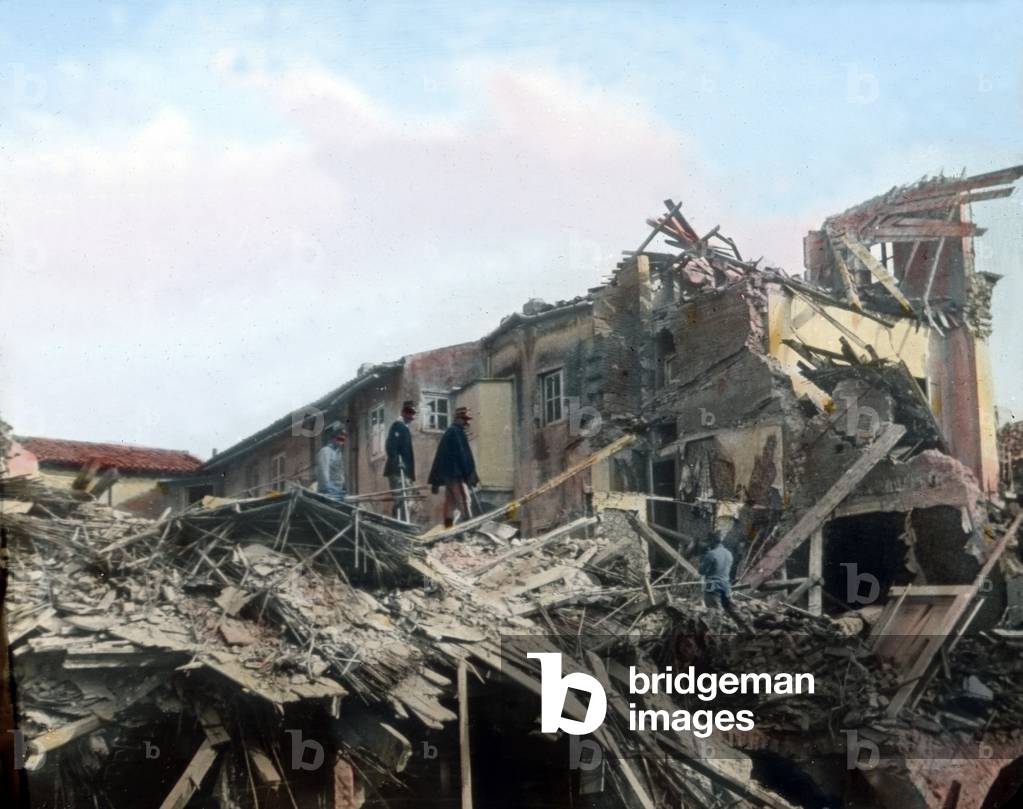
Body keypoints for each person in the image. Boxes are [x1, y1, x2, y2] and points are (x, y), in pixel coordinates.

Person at [427, 406, 479, 528]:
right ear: (458, 419)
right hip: (456, 475)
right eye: (465, 419)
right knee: (464, 500)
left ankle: (448, 528)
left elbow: (439, 457)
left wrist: (436, 481)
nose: (467, 422)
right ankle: (469, 527)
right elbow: (463, 455)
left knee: (450, 504)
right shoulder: (456, 432)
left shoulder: (450, 432)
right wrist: (470, 476)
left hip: (448, 476)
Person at [699, 535, 752, 633]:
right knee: (732, 609)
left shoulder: (711, 554)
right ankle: (749, 629)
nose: (706, 544)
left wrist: (703, 558)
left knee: (714, 611)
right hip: (725, 586)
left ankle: (715, 637)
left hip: (713, 587)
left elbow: (701, 571)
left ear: (712, 541)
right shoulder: (729, 554)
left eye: (708, 542)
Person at [384, 401, 417, 519]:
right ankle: (399, 523)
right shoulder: (398, 426)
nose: (411, 416)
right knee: (400, 499)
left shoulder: (404, 428)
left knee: (406, 499)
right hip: (397, 470)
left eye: (412, 413)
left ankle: (403, 522)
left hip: (405, 471)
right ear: (403, 412)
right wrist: (398, 462)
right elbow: (391, 445)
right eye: (408, 412)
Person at [315, 426, 347, 501]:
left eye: (343, 439)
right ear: (333, 438)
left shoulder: (338, 453)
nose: (342, 441)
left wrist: (343, 488)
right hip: (328, 493)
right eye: (340, 438)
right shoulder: (325, 451)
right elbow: (323, 473)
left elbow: (340, 473)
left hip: (338, 492)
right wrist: (329, 488)